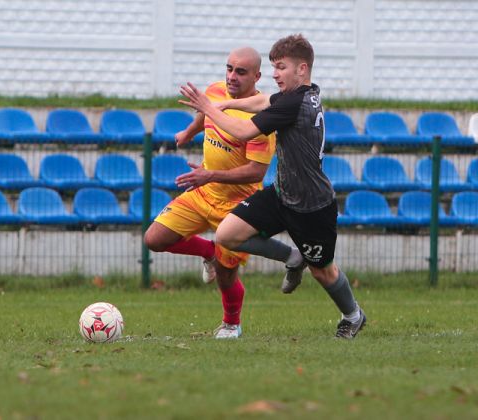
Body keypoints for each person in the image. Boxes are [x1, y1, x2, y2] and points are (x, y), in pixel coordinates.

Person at [178, 34, 367, 339]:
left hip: (311, 205)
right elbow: (263, 100)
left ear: (301, 68)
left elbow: (242, 131)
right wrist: (226, 103)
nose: (275, 74)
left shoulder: (294, 104)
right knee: (227, 234)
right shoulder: (304, 92)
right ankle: (294, 258)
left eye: (281, 67)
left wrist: (208, 107)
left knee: (324, 272)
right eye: (274, 67)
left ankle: (353, 314)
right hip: (281, 194)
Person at [144, 46, 301, 339]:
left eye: (240, 72)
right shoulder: (215, 90)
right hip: (203, 192)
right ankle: (209, 252)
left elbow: (256, 172)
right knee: (154, 238)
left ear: (257, 76)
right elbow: (205, 114)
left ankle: (231, 324)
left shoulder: (262, 120)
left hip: (237, 206)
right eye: (229, 68)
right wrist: (189, 133)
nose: (232, 76)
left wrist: (209, 174)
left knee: (227, 275)